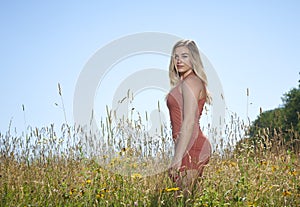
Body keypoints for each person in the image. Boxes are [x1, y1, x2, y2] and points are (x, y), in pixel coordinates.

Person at [166, 39, 212, 193]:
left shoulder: (191, 82)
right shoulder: (184, 82)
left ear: (193, 58)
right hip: (185, 147)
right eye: (176, 56)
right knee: (188, 199)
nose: (179, 60)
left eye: (184, 56)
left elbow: (189, 122)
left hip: (193, 147)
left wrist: (177, 158)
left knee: (180, 200)